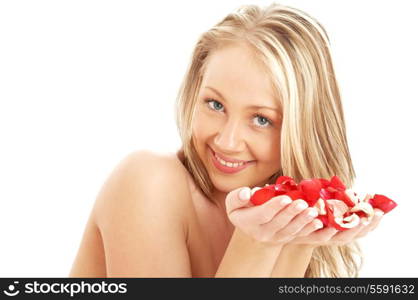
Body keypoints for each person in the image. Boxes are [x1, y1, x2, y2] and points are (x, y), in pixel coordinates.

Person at [69, 2, 384, 278]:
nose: (228, 141)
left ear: (303, 131)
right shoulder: (148, 182)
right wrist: (255, 244)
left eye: (261, 119)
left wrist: (299, 240)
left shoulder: (286, 213)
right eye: (215, 104)